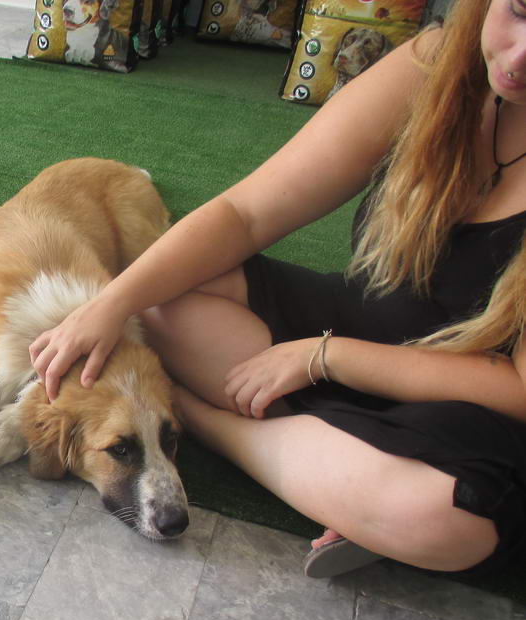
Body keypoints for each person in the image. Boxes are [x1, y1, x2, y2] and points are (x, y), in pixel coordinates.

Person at [28, 0, 526, 578]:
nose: (519, 57)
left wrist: (324, 357)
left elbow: (518, 387)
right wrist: (111, 303)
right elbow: (246, 214)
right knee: (161, 294)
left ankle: (216, 426)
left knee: (443, 516)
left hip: (479, 398)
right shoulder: (437, 61)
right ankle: (335, 474)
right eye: (519, 11)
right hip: (371, 317)